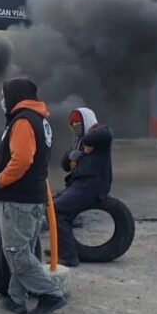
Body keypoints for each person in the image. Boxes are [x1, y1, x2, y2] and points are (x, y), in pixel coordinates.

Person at [0, 77, 67, 314]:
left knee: (16, 253)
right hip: (33, 198)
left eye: (4, 95)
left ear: (15, 96)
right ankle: (16, 298)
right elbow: (28, 155)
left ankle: (51, 294)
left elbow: (22, 161)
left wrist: (0, 180)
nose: (2, 100)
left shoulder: (22, 121)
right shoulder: (40, 121)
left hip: (19, 200)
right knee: (25, 249)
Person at [54, 107, 113, 268]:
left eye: (78, 123)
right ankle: (60, 248)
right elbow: (65, 165)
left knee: (57, 210)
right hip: (77, 185)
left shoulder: (99, 132)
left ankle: (68, 257)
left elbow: (105, 134)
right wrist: (71, 155)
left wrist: (87, 142)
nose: (75, 126)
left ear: (86, 120)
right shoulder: (77, 141)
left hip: (91, 186)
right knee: (49, 204)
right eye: (72, 124)